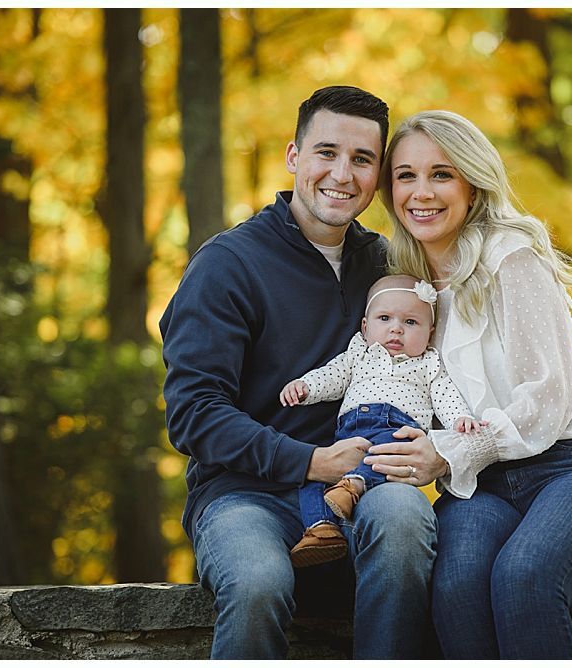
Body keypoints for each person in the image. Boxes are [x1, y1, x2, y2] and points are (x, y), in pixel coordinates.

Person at [158, 86, 438, 659]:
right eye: (326, 152)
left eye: (362, 160)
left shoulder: (389, 266)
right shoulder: (228, 265)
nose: (343, 173)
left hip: (366, 486)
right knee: (259, 583)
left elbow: (451, 363)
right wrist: (307, 461)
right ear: (293, 156)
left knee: (406, 522)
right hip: (245, 495)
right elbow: (193, 413)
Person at [363, 110, 572, 659]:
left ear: (472, 183)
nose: (422, 192)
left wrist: (445, 452)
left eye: (442, 174)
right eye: (405, 175)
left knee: (524, 577)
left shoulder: (509, 255)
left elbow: (547, 398)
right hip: (485, 484)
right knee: (454, 586)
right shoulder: (403, 287)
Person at [280, 274, 482, 568]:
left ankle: (354, 484)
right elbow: (332, 375)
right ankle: (320, 529)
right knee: (314, 476)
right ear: (365, 326)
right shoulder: (359, 352)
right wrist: (306, 387)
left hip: (397, 431)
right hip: (350, 434)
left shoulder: (428, 363)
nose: (396, 329)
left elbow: (445, 395)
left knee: (387, 456)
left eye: (411, 323)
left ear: (430, 332)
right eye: (385, 318)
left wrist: (460, 419)